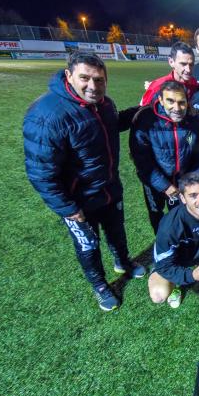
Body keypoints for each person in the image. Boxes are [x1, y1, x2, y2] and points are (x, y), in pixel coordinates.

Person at [24, 52, 145, 312]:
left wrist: (142, 111)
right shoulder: (48, 114)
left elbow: (111, 124)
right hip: (78, 201)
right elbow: (39, 173)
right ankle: (100, 284)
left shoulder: (104, 104)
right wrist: (67, 208)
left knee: (117, 231)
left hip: (109, 190)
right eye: (85, 78)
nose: (93, 85)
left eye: (99, 79)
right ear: (69, 76)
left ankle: (123, 261)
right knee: (88, 245)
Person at [130, 80, 199, 233]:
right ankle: (163, 241)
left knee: (184, 214)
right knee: (157, 214)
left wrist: (189, 181)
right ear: (160, 99)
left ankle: (185, 240)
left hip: (184, 182)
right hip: (154, 183)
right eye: (170, 101)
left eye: (182, 102)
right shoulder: (145, 120)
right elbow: (142, 160)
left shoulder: (196, 121)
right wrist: (164, 186)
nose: (177, 108)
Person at [148, 172, 199, 308]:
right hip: (178, 262)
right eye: (193, 196)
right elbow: (164, 266)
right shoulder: (169, 227)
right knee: (158, 295)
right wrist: (191, 275)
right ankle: (177, 283)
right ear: (182, 198)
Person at [140, 41, 199, 106]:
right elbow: (141, 112)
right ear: (171, 62)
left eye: (191, 64)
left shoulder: (194, 83)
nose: (188, 70)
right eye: (183, 64)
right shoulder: (156, 87)